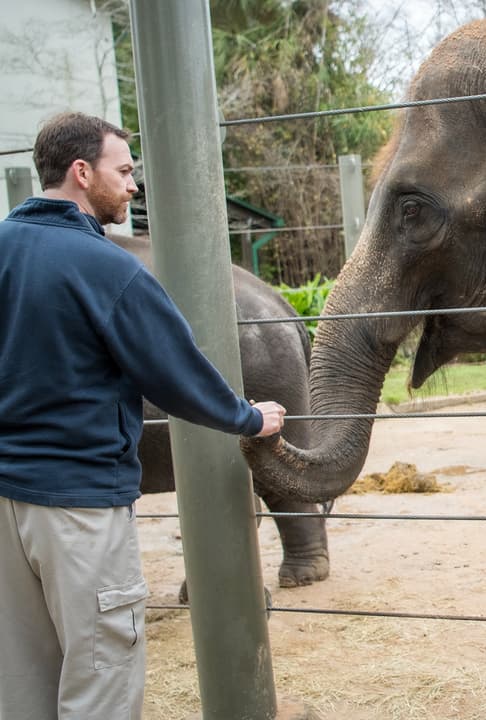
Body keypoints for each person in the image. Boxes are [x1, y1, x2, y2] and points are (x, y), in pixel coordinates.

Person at [0, 112, 287, 720]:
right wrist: (245, 417)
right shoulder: (107, 267)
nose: (133, 186)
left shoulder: (4, 248)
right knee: (102, 675)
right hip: (79, 506)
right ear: (82, 173)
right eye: (124, 170)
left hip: (7, 500)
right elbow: (173, 370)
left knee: (22, 683)